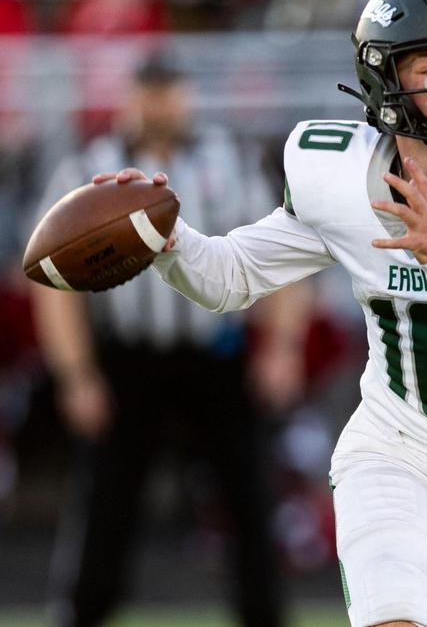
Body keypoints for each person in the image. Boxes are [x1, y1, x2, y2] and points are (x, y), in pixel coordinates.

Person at [96, 0, 427, 627]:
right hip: (395, 450)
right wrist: (169, 241)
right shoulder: (338, 171)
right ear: (385, 77)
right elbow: (231, 277)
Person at [31, 54, 298, 626]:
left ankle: (264, 615)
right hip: (128, 360)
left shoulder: (232, 160)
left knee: (249, 500)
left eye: (168, 91)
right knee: (106, 504)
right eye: (148, 92)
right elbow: (54, 288)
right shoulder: (88, 167)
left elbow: (278, 256)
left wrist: (282, 347)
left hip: (216, 355)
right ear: (129, 98)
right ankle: (81, 612)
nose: (158, 105)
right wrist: (76, 375)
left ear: (187, 95)